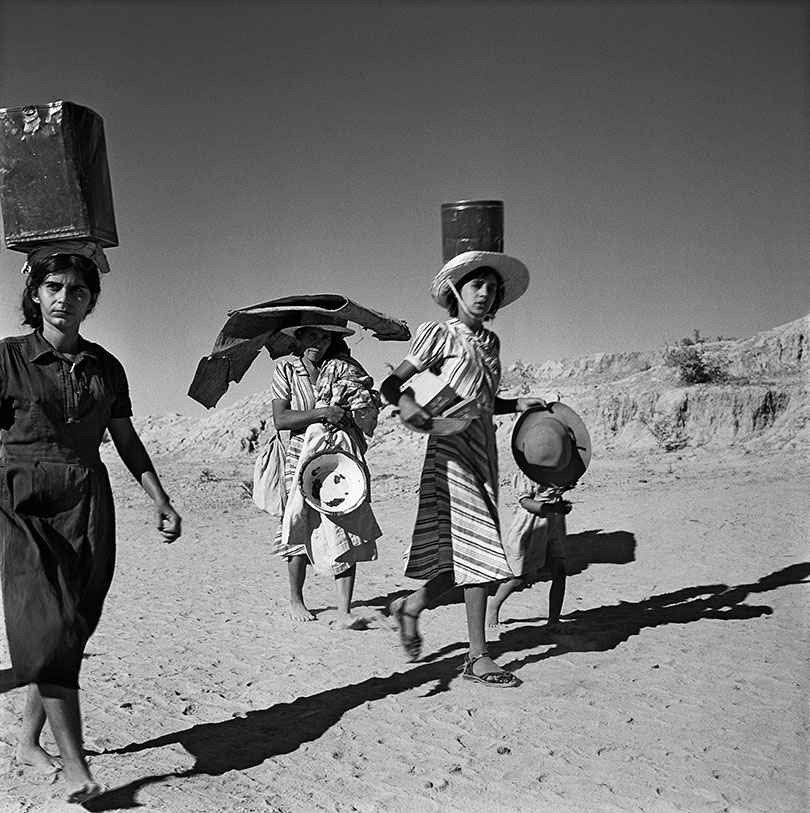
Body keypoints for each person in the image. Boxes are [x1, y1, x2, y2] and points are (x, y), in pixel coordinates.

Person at [0, 246, 182, 804]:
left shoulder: (106, 366)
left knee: (72, 627)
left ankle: (29, 741)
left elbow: (125, 440)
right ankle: (80, 770)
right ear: (35, 295)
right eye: (53, 288)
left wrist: (158, 497)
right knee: (48, 624)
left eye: (77, 291)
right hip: (21, 503)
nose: (64, 299)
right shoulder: (6, 358)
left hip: (87, 503)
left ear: (90, 301)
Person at [380, 249, 545, 687]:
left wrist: (515, 404)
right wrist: (409, 403)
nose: (485, 294)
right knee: (482, 545)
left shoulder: (490, 343)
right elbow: (391, 384)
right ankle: (477, 656)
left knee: (464, 556)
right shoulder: (438, 335)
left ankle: (410, 606)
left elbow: (483, 402)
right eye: (477, 285)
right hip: (449, 452)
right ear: (456, 291)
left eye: (492, 288)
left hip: (483, 454)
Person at [270, 315, 380, 628]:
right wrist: (322, 412)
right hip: (298, 457)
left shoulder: (343, 370)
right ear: (299, 338)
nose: (317, 344)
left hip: (339, 456)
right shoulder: (286, 371)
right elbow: (281, 419)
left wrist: (352, 412)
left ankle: (344, 610)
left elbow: (365, 410)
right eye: (311, 337)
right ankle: (296, 599)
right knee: (298, 524)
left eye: (324, 338)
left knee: (345, 519)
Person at [486, 472, 571, 632]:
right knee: (520, 577)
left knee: (559, 572)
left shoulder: (555, 468)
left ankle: (554, 620)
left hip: (553, 524)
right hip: (531, 525)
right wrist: (550, 507)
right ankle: (494, 606)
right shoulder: (526, 473)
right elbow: (525, 501)